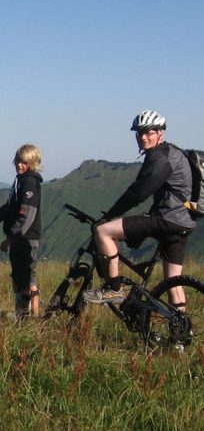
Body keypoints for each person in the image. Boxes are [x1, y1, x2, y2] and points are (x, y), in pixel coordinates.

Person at [83, 110, 195, 307]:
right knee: (173, 284)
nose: (143, 137)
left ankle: (114, 289)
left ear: (160, 133)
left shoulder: (159, 157)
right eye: (139, 133)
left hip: (166, 220)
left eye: (148, 133)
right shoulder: (174, 152)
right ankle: (181, 329)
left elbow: (137, 194)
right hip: (183, 222)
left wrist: (109, 216)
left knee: (102, 231)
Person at [0, 144, 44, 318]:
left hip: (24, 239)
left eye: (24, 162)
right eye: (17, 160)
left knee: (23, 279)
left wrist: (10, 239)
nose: (19, 165)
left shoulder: (29, 182)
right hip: (25, 238)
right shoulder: (21, 181)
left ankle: (24, 319)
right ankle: (35, 319)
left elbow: (26, 215)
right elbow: (10, 208)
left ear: (32, 162)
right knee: (29, 278)